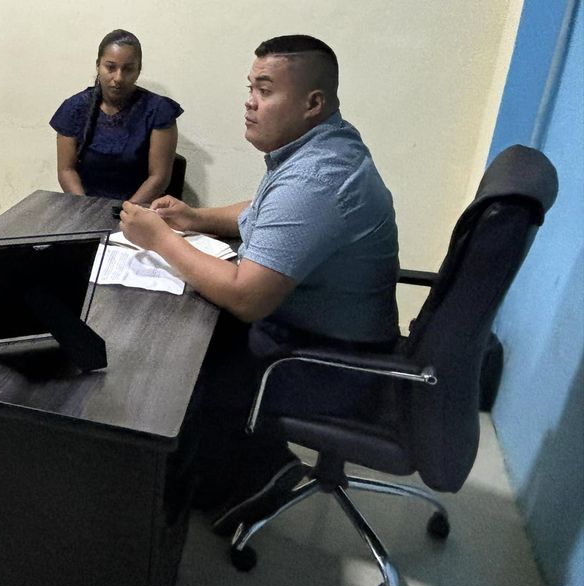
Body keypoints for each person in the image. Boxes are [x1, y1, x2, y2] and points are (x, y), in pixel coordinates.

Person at [119, 35, 399, 535]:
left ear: (313, 103)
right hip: (324, 333)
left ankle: (244, 480)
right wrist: (195, 217)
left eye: (265, 91)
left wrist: (160, 238)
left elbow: (246, 297)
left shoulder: (318, 178)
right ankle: (236, 467)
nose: (249, 102)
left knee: (180, 360)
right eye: (250, 88)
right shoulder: (324, 144)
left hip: (329, 363)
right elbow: (268, 211)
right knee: (190, 328)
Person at [51, 29, 182, 202]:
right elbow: (66, 170)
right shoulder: (74, 108)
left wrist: (125, 212)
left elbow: (158, 178)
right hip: (83, 206)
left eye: (128, 69)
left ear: (139, 69)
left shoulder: (158, 111)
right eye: (111, 67)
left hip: (139, 209)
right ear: (98, 65)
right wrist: (85, 208)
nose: (118, 77)